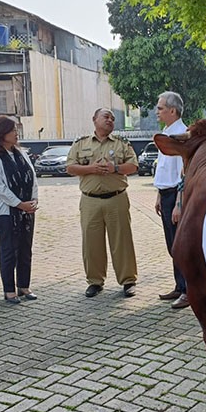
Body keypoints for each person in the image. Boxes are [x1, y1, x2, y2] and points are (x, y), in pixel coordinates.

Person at [66, 108, 139, 298]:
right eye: (106, 117)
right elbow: (70, 167)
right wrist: (92, 169)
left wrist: (115, 167)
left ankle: (128, 280)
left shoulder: (122, 143)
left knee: (122, 241)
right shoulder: (81, 143)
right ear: (94, 119)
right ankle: (95, 282)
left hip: (117, 198)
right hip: (90, 200)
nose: (110, 120)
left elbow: (133, 166)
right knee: (91, 242)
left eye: (113, 118)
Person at [0, 116, 38, 304]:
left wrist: (32, 201)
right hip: (4, 212)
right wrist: (19, 204)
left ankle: (24, 286)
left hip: (25, 210)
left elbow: (32, 177)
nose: (16, 133)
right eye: (12, 130)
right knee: (8, 249)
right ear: (1, 133)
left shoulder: (20, 154)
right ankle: (9, 290)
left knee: (25, 247)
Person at [153, 91, 189, 309]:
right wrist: (159, 194)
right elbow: (164, 170)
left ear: (173, 110)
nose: (157, 111)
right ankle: (179, 285)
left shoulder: (181, 135)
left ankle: (187, 290)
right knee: (172, 245)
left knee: (180, 245)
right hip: (166, 194)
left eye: (160, 108)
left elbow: (182, 174)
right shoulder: (167, 132)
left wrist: (178, 203)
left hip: (177, 196)